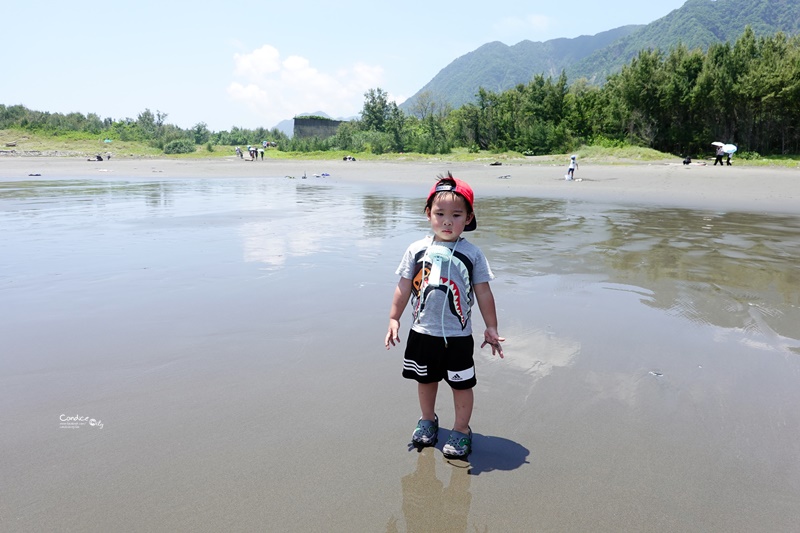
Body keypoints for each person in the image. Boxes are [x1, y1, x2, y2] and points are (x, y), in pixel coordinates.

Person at [385, 173, 505, 459]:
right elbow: (404, 286)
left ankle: (461, 430)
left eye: (456, 215)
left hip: (458, 336)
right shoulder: (416, 250)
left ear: (469, 218)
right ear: (428, 214)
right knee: (425, 380)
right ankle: (428, 420)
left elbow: (483, 292)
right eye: (440, 214)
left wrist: (491, 327)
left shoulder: (472, 254)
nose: (447, 221)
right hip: (422, 332)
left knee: (461, 383)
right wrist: (394, 318)